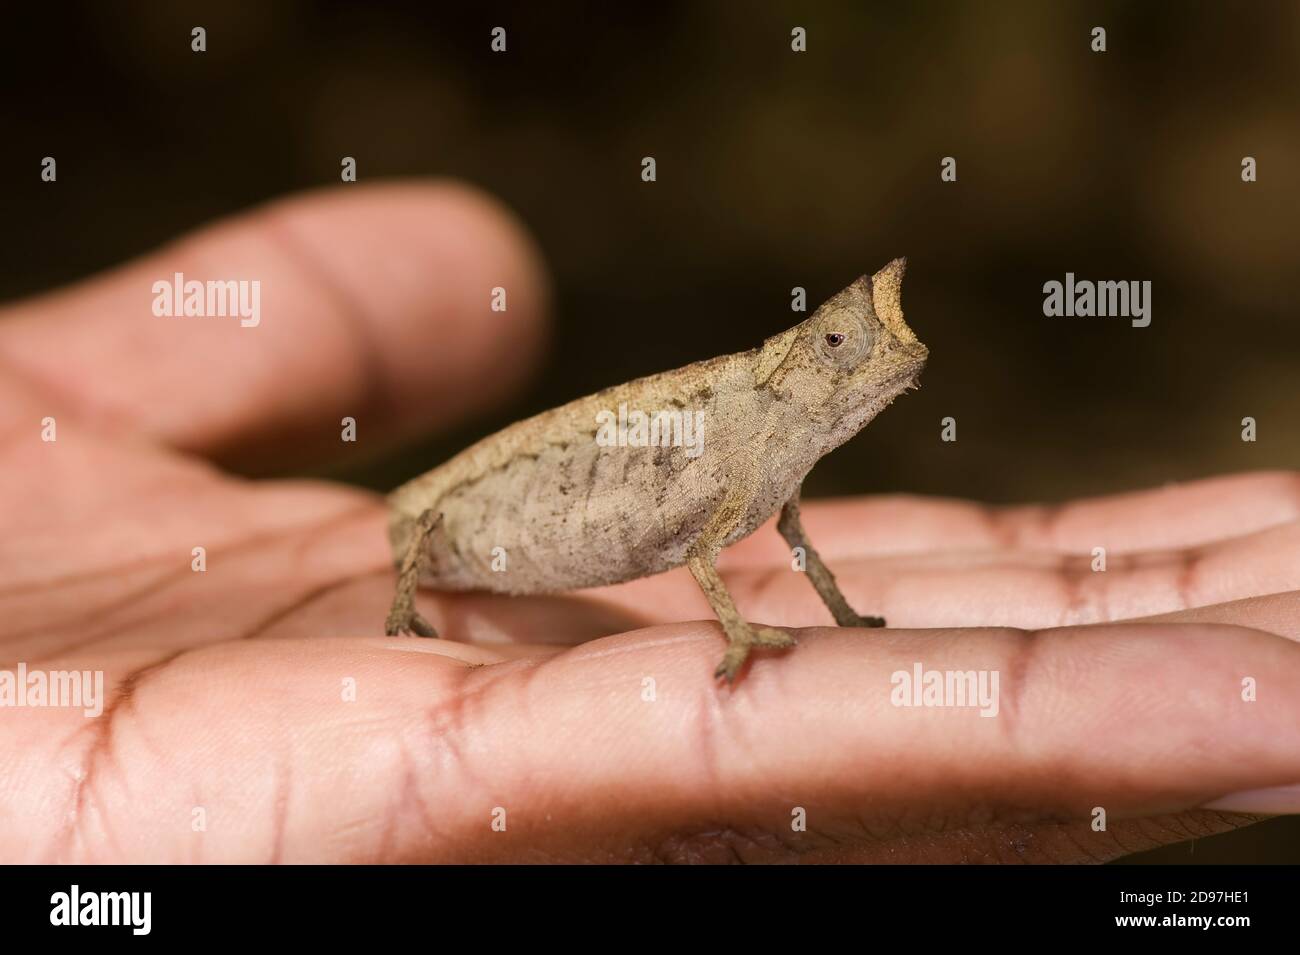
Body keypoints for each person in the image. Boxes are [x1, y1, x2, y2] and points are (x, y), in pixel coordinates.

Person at [0, 182, 1295, 863]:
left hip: (547, 510)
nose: (863, 367)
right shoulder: (743, 406)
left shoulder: (782, 429)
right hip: (475, 507)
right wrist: (735, 638)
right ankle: (408, 600)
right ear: (806, 355)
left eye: (868, 353)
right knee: (436, 541)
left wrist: (840, 615)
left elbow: (785, 529)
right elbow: (696, 544)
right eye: (842, 345)